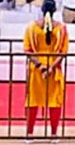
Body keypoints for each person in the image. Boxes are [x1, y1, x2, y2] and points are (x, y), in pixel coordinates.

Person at [21, 7, 70, 136]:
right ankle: (54, 134)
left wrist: (40, 66)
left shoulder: (31, 28)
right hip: (54, 70)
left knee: (33, 100)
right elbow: (63, 53)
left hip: (36, 70)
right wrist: (51, 68)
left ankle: (29, 133)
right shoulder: (61, 29)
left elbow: (28, 50)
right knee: (54, 101)